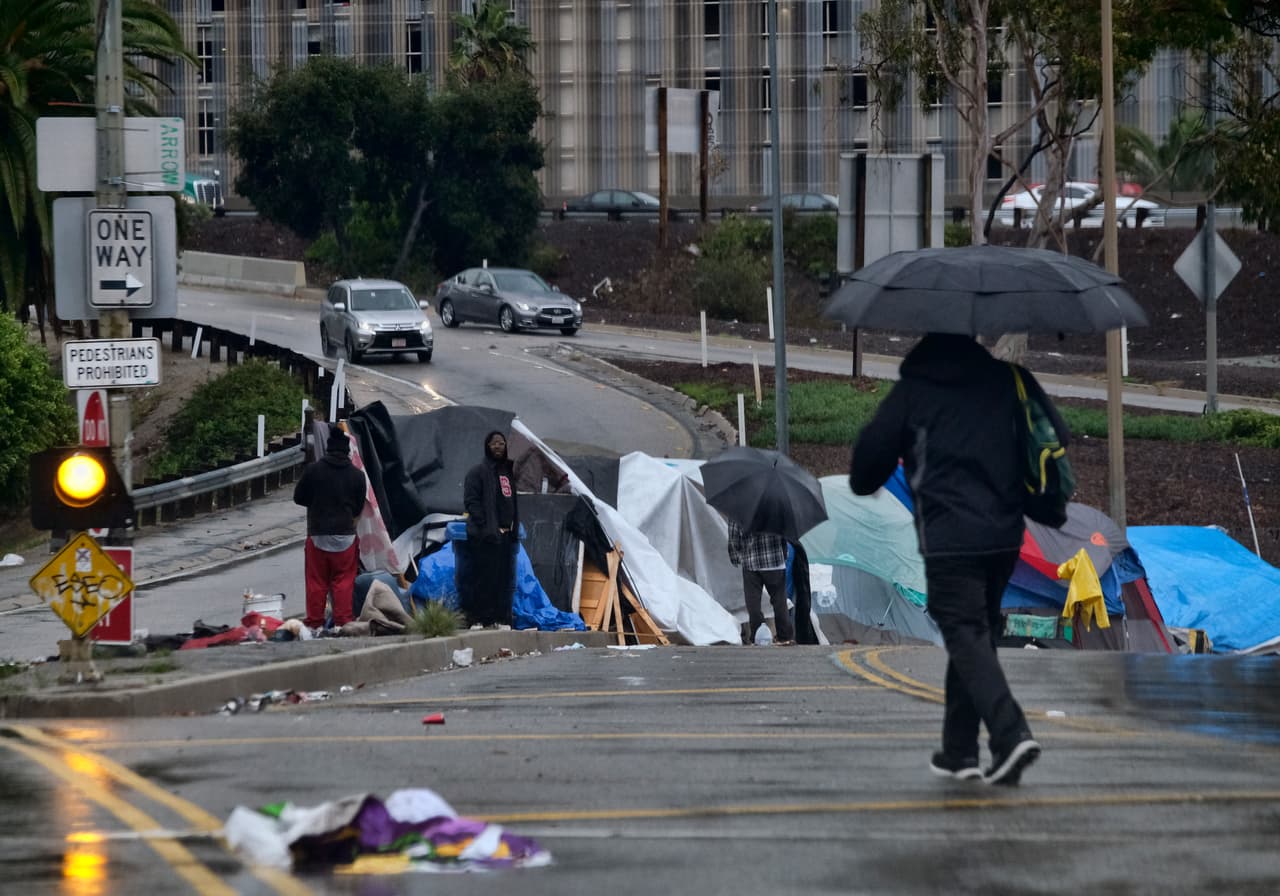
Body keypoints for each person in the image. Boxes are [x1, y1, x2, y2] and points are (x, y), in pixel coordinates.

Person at [849, 332, 1067, 786]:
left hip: (950, 537)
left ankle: (1009, 731)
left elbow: (865, 471)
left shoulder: (915, 391)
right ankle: (959, 750)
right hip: (1005, 537)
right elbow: (1056, 435)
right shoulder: (1009, 380)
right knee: (973, 637)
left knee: (965, 632)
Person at [293, 425, 367, 632]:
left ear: (328, 448)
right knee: (343, 581)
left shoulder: (313, 470)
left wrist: (315, 502)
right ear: (347, 451)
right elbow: (358, 507)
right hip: (345, 536)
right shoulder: (357, 475)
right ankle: (342, 624)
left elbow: (299, 498)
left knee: (316, 581)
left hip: (318, 534)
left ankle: (315, 624)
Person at [458, 430, 520, 627]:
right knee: (483, 580)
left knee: (503, 581)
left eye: (501, 443)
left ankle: (500, 619)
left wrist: (513, 530)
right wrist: (486, 527)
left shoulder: (507, 473)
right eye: (494, 443)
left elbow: (512, 503)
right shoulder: (477, 473)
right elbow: (471, 501)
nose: (498, 446)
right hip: (485, 537)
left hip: (506, 537)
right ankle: (479, 619)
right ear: (487, 446)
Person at [727, 520, 795, 645]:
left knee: (753, 603)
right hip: (775, 562)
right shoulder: (776, 510)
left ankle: (758, 636)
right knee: (779, 601)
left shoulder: (740, 511)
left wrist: (736, 557)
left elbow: (734, 537)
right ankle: (784, 637)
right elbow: (784, 534)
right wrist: (784, 554)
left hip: (751, 562)